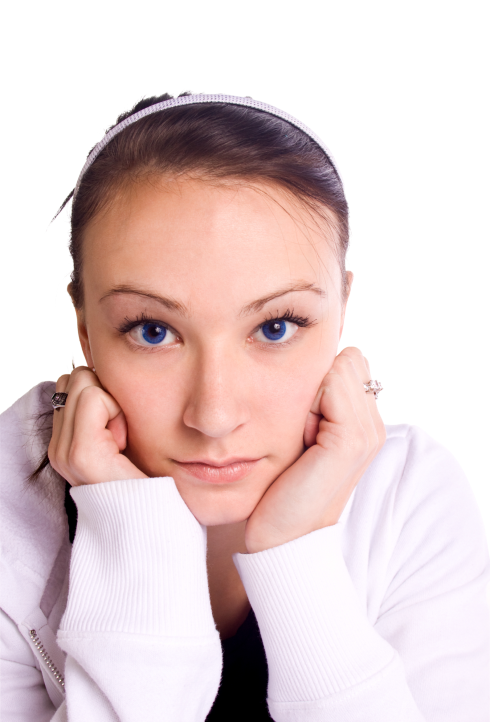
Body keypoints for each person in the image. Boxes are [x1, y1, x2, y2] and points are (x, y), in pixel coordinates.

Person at [1, 92, 489, 722]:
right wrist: (138, 539)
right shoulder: (10, 511)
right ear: (85, 328)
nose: (214, 415)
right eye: (153, 330)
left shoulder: (409, 498)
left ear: (341, 310)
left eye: (276, 327)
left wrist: (295, 555)